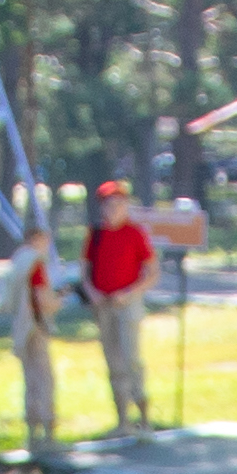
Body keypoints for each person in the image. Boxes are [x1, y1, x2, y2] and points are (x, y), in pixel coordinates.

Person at [83, 181, 156, 431]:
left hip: (128, 303)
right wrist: (92, 292)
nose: (113, 209)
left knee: (132, 359)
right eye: (108, 205)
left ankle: (144, 418)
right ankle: (122, 419)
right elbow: (85, 272)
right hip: (103, 305)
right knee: (112, 361)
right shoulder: (95, 234)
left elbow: (152, 272)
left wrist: (129, 293)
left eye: (118, 204)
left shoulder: (135, 233)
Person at [0, 201, 67, 462]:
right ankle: (48, 433)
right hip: (36, 325)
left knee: (29, 380)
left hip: (20, 325)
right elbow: (43, 299)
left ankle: (32, 433)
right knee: (43, 379)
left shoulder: (18, 260)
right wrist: (60, 299)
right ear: (40, 237)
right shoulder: (36, 264)